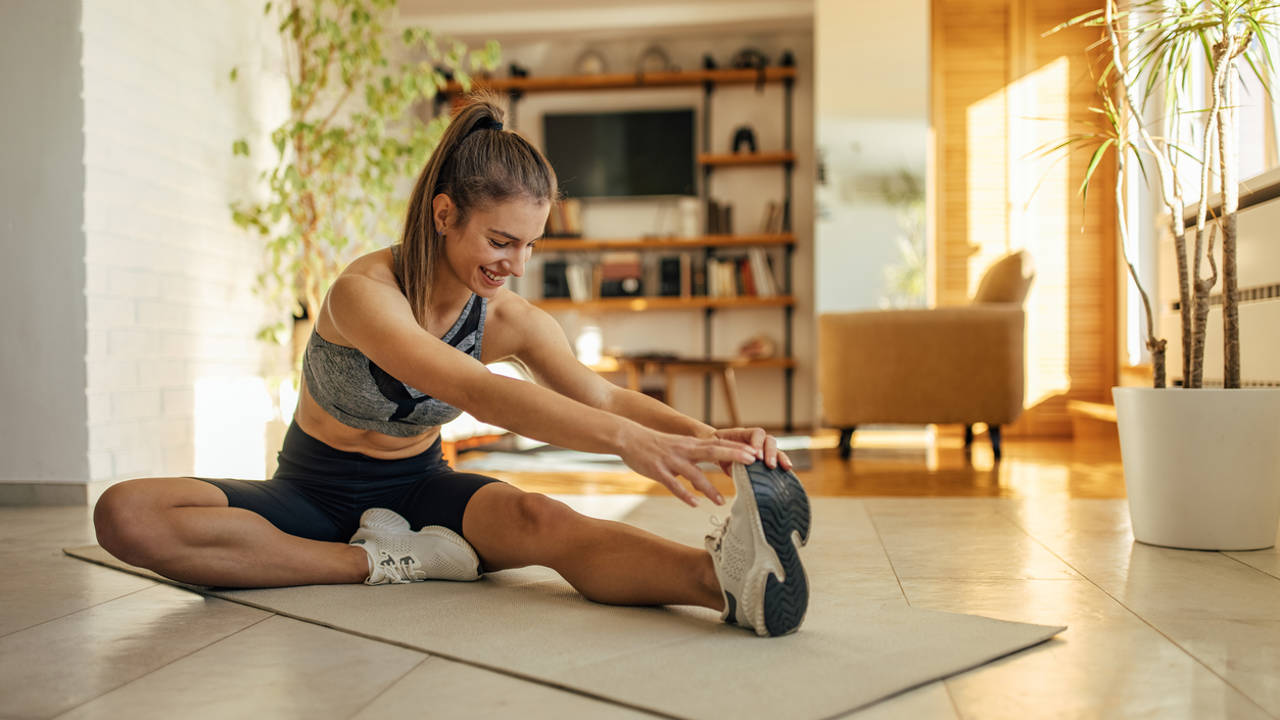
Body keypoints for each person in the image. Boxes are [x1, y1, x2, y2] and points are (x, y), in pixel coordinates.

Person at [93, 97, 812, 637]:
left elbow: (601, 395)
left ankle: (725, 583)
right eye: (501, 239)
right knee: (126, 515)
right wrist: (626, 446)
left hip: (420, 489)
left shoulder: (509, 319)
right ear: (444, 214)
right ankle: (381, 562)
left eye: (530, 245)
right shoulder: (362, 294)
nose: (515, 264)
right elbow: (469, 387)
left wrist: (714, 442)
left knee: (540, 515)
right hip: (310, 494)